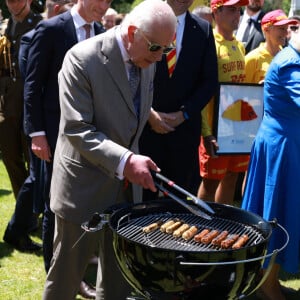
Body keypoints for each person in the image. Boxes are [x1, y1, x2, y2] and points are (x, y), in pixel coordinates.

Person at [42, 1, 177, 299]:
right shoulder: (81, 59)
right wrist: (127, 160)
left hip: (125, 192)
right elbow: (76, 129)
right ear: (131, 33)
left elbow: (129, 107)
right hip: (82, 189)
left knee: (118, 281)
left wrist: (149, 117)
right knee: (65, 278)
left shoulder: (147, 57)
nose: (159, 58)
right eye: (156, 48)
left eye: (167, 49)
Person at [21, 0, 108, 298]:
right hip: (53, 136)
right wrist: (37, 133)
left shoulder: (101, 32)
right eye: (102, 0)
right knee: (53, 206)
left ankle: (79, 271)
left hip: (89, 139)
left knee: (81, 207)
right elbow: (32, 86)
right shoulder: (50, 29)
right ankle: (55, 276)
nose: (106, 5)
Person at [241, 25, 300, 300]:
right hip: (283, 153)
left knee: (286, 214)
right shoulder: (290, 64)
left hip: (288, 147)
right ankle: (267, 284)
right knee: (278, 215)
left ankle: (269, 280)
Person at [139, 0, 218, 200]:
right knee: (144, 199)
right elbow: (131, 73)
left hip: (184, 132)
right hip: (146, 128)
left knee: (180, 201)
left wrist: (184, 114)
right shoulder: (145, 20)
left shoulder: (203, 30)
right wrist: (150, 114)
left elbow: (209, 82)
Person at [197, 0, 249, 205]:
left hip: (236, 126)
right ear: (216, 12)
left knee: (232, 177)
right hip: (214, 128)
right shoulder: (209, 44)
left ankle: (223, 224)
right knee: (210, 182)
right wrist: (206, 132)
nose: (237, 15)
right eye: (231, 9)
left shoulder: (239, 45)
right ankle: (201, 226)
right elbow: (201, 91)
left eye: (239, 10)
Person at [0, 0, 42, 201]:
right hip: (7, 104)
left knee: (33, 160)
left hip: (31, 102)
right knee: (9, 155)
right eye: (10, 0)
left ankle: (34, 208)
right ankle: (23, 205)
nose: (13, 4)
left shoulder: (39, 25)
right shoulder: (5, 27)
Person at [245, 10, 297, 84]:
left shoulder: (289, 58)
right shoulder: (252, 59)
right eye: (282, 28)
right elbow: (241, 92)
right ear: (266, 29)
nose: (286, 33)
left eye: (286, 29)